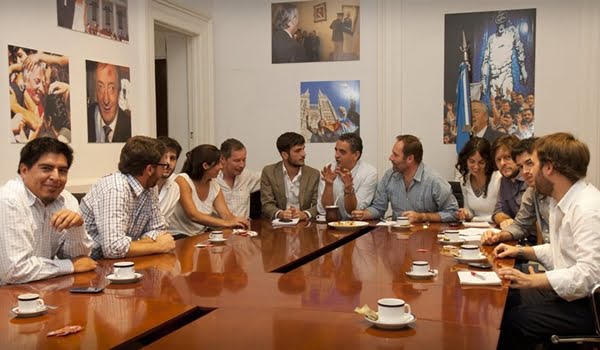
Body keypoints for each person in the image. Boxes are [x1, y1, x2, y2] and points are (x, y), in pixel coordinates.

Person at [495, 133, 600, 348]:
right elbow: (559, 251)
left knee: (514, 320)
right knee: (509, 297)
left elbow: (590, 276)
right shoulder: (560, 201)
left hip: (591, 307)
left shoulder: (587, 208)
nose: (527, 173)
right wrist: (521, 252)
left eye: (532, 164)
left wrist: (533, 280)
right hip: (573, 296)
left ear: (548, 168)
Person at [0, 138, 96, 284]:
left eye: (62, 171)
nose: (56, 177)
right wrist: (69, 266)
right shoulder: (9, 200)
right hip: (9, 295)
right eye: (46, 168)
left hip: (43, 287)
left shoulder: (66, 199)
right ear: (24, 171)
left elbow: (80, 259)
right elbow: (15, 271)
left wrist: (77, 228)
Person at [81, 136, 176, 259]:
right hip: (91, 263)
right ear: (150, 169)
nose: (165, 170)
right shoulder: (115, 188)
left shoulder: (150, 187)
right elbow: (113, 248)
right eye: (163, 165)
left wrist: (132, 245)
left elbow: (159, 230)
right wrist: (157, 246)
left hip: (124, 261)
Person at [351, 135, 458, 223]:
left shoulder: (434, 181)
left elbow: (453, 213)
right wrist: (364, 214)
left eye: (395, 155)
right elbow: (378, 208)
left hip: (427, 238)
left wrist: (423, 217)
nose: (390, 158)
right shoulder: (389, 176)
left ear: (410, 159)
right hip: (397, 238)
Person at [481, 137, 549, 246]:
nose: (525, 171)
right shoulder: (506, 181)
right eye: (498, 159)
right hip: (526, 243)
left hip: (537, 245)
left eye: (507, 157)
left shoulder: (532, 181)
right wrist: (499, 233)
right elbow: (516, 223)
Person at [169, 144, 249, 235]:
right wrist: (227, 223)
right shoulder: (182, 180)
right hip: (179, 236)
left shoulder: (214, 184)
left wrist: (240, 221)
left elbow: (226, 215)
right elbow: (193, 215)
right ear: (205, 165)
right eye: (218, 163)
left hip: (201, 236)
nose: (221, 167)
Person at [261, 132, 319, 221]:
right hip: (278, 226)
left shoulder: (313, 174)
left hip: (304, 225)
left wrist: (304, 214)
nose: (303, 154)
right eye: (298, 150)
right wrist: (280, 214)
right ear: (285, 155)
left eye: (303, 149)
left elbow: (318, 205)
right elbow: (267, 204)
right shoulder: (269, 172)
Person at [318, 133, 377, 220]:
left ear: (356, 155)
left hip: (359, 226)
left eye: (342, 152)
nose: (336, 155)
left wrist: (349, 189)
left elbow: (355, 211)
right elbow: (324, 210)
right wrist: (329, 185)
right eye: (336, 150)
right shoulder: (329, 170)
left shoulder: (369, 173)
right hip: (332, 223)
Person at [481, 11, 528, 100]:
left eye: (503, 21)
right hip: (494, 77)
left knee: (507, 103)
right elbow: (486, 61)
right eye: (498, 23)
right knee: (495, 105)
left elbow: (520, 50)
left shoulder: (512, 32)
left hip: (506, 74)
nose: (500, 25)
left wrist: (523, 69)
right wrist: (484, 80)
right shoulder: (491, 39)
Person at [454, 137, 501, 223]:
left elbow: (501, 215)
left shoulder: (498, 178)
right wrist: (466, 213)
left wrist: (474, 219)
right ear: (466, 160)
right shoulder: (465, 180)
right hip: (473, 230)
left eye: (481, 162)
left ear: (488, 162)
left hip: (496, 230)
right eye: (472, 161)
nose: (476, 167)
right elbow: (470, 213)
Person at [216, 138, 261, 218]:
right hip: (219, 228)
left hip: (244, 228)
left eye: (244, 160)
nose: (242, 165)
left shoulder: (248, 176)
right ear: (222, 159)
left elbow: (270, 175)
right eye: (237, 161)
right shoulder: (213, 179)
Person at [87, 62, 131, 142]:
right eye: (100, 87)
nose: (106, 100)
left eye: (111, 88)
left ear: (119, 91)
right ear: (96, 91)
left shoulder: (129, 127)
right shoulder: (84, 119)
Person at [490, 135, 527, 229]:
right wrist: (505, 220)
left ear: (518, 157)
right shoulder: (504, 180)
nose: (502, 163)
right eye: (498, 159)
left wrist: (512, 224)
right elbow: (497, 212)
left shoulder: (529, 178)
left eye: (507, 157)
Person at [156, 136, 182, 226]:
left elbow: (165, 222)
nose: (168, 163)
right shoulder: (143, 184)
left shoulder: (175, 188)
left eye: (172, 158)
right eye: (164, 157)